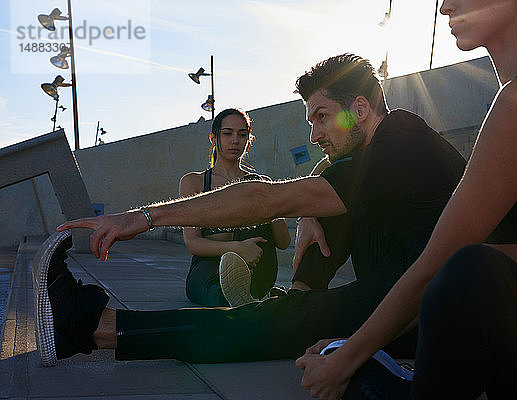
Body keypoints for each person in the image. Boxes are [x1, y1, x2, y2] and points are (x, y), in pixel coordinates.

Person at [39, 54, 465, 367]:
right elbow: (327, 179)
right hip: (407, 284)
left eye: (321, 117)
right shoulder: (385, 145)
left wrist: (143, 217)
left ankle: (91, 327)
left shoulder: (402, 140)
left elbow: (264, 199)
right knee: (324, 216)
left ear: (359, 109)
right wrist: (315, 208)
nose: (314, 134)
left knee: (268, 324)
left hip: (424, 307)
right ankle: (299, 297)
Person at [294, 1, 517, 399]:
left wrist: (344, 359)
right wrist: (351, 345)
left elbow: (439, 265)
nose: (444, 6)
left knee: (467, 267)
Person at [179, 108, 290, 307]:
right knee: (215, 289)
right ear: (214, 138)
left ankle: (247, 297)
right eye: (228, 133)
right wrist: (236, 249)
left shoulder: (260, 183)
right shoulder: (194, 182)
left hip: (255, 266)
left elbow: (283, 241)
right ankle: (244, 300)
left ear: (248, 140)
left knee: (256, 205)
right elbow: (192, 242)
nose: (235, 140)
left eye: (242, 134)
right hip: (209, 267)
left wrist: (270, 203)